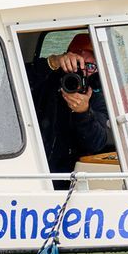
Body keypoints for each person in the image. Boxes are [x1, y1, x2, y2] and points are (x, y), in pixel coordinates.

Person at [27, 31, 113, 181]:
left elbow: (97, 143)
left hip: (70, 177)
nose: (82, 71)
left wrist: (84, 113)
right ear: (67, 58)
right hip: (34, 167)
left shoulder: (98, 95)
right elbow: (14, 81)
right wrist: (52, 62)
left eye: (90, 65)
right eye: (77, 63)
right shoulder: (46, 81)